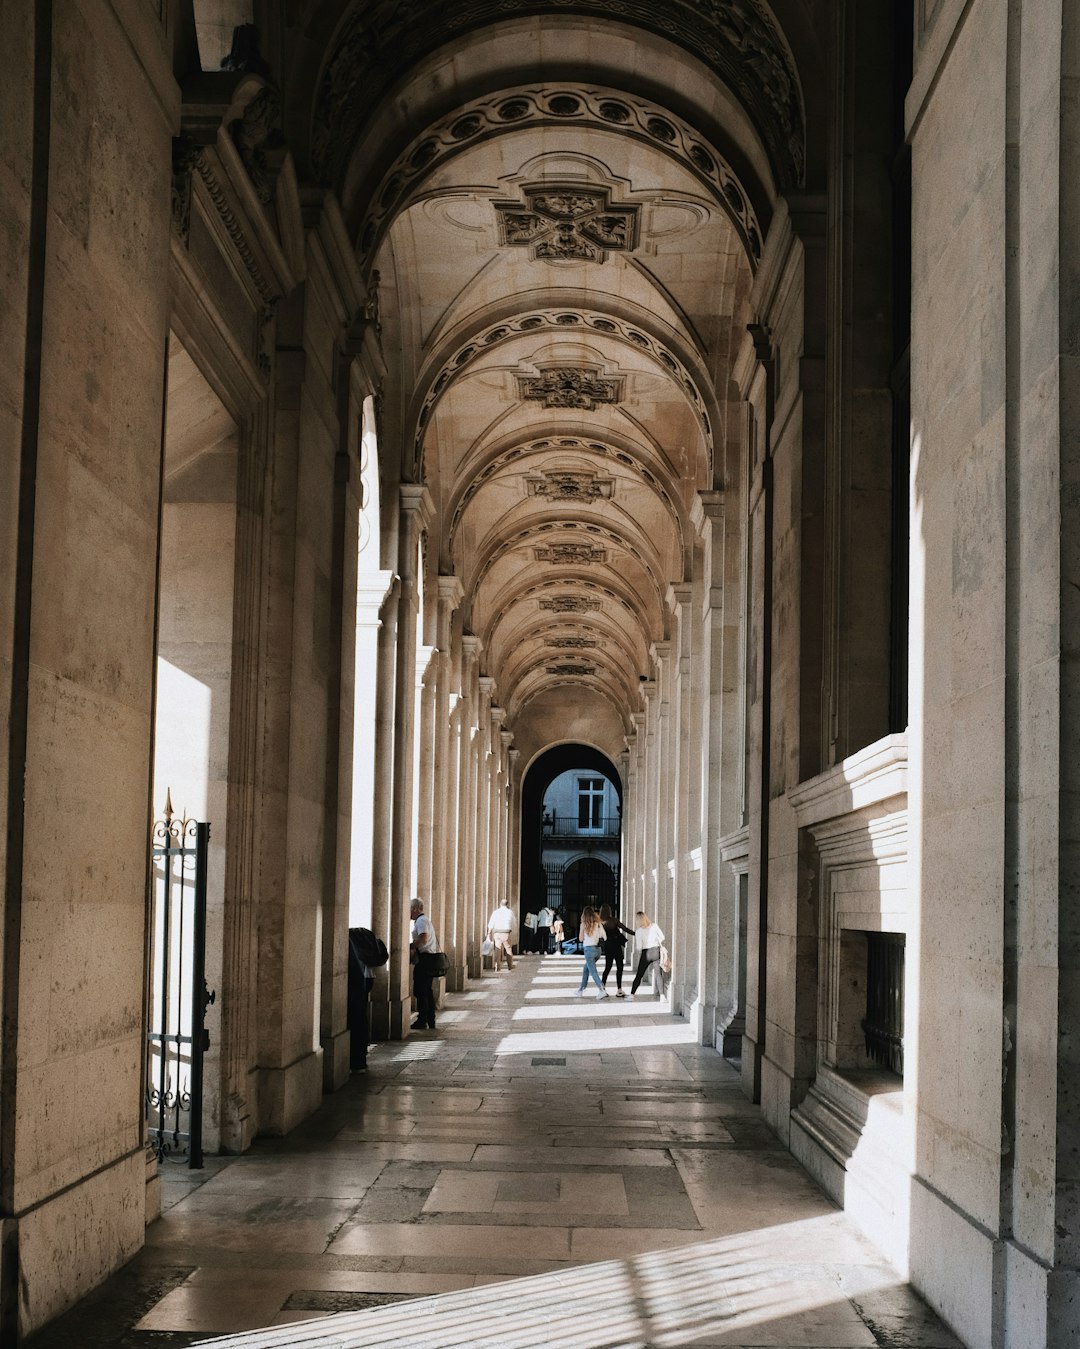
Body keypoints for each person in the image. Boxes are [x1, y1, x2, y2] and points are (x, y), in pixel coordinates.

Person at [409, 898, 441, 1030]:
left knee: (421, 990)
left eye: (409, 909)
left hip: (425, 959)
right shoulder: (423, 920)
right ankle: (430, 1019)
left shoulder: (421, 920)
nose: (408, 912)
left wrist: (409, 946)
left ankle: (422, 1020)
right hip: (429, 958)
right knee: (426, 990)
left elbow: (423, 938)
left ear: (415, 909)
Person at [627, 910, 666, 1000]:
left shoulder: (638, 931)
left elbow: (639, 947)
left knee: (639, 974)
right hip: (656, 951)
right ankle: (662, 996)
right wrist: (656, 941)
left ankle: (631, 995)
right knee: (658, 974)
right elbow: (662, 937)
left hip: (646, 953)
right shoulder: (654, 926)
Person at [599, 904, 634, 997]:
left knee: (607, 968)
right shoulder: (613, 920)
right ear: (609, 911)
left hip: (607, 947)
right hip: (616, 946)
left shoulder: (600, 922)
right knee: (620, 967)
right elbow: (625, 929)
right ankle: (619, 989)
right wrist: (635, 933)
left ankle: (602, 989)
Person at [573, 906, 608, 1000]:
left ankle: (602, 990)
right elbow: (604, 936)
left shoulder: (583, 924)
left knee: (593, 972)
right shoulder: (598, 924)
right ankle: (580, 990)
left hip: (589, 951)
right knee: (586, 969)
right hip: (598, 951)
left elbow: (580, 939)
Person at [487, 899, 516, 971]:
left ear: (500, 904)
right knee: (508, 949)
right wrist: (511, 929)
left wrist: (489, 933)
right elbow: (514, 923)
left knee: (497, 949)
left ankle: (497, 966)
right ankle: (510, 965)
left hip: (497, 932)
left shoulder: (496, 912)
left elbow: (491, 923)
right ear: (507, 904)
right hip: (506, 932)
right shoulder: (510, 912)